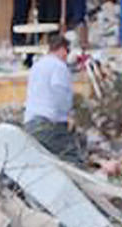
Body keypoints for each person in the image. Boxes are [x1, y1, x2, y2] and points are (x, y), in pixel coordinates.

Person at [23, 34, 84, 165]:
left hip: (30, 122)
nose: (67, 56)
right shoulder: (59, 67)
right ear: (62, 49)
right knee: (71, 159)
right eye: (67, 51)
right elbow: (60, 95)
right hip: (49, 123)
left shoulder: (37, 66)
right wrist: (68, 116)